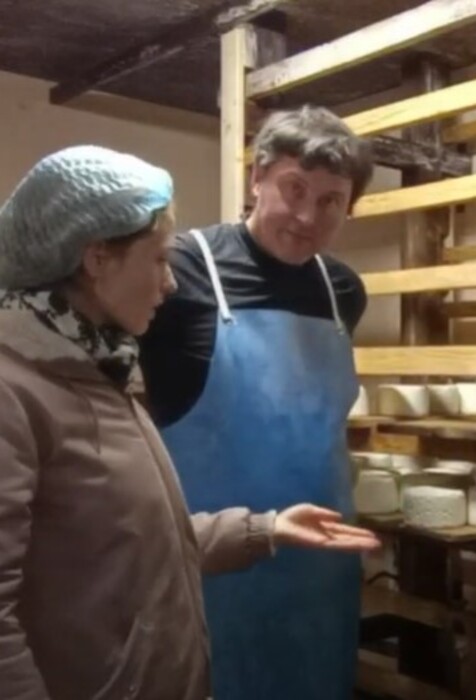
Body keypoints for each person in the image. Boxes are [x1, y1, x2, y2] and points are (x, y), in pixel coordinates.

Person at [0, 145, 380, 700]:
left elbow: (138, 541)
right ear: (96, 257)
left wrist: (266, 529)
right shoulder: (15, 392)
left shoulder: (103, 373)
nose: (173, 283)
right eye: (159, 260)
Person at [138, 106, 375, 699]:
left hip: (319, 564)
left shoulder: (341, 290)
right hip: (209, 562)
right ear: (257, 177)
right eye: (294, 189)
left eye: (331, 201)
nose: (306, 216)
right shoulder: (182, 271)